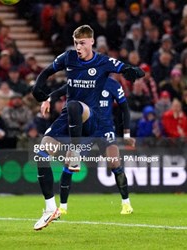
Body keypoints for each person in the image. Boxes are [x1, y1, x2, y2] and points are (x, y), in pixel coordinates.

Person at [31, 25, 144, 230]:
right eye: (76, 43)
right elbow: (47, 71)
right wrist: (39, 90)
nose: (78, 47)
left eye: (82, 43)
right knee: (41, 153)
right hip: (69, 116)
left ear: (92, 42)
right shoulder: (69, 57)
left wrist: (133, 71)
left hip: (91, 117)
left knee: (75, 106)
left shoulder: (103, 62)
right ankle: (50, 208)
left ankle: (75, 153)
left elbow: (128, 69)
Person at [45, 78, 135, 216]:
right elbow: (60, 91)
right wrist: (49, 100)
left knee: (114, 162)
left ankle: (126, 203)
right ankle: (63, 207)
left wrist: (127, 134)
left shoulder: (112, 84)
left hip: (105, 129)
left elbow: (125, 108)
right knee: (69, 163)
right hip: (85, 130)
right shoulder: (81, 80)